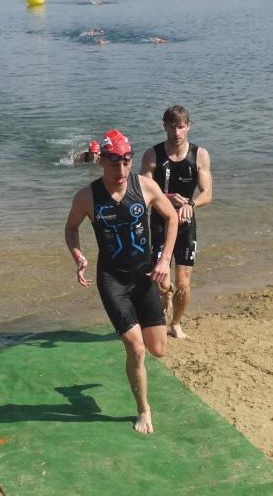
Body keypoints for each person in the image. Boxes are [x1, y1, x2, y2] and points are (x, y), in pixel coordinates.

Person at [65, 129, 178, 434]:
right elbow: (71, 228)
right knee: (137, 349)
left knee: (158, 349)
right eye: (115, 164)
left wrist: (164, 260)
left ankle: (164, 293)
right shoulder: (87, 197)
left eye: (127, 162)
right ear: (102, 161)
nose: (122, 171)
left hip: (145, 277)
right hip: (112, 281)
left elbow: (172, 217)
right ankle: (144, 410)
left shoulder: (145, 186)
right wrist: (78, 256)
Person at [140, 105, 212, 339]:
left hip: (185, 223)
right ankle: (165, 294)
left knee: (184, 281)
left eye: (181, 127)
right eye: (172, 127)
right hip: (160, 222)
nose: (177, 133)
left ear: (188, 126)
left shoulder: (199, 155)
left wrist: (191, 204)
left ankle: (176, 324)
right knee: (161, 280)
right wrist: (166, 198)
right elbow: (142, 192)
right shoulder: (152, 155)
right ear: (165, 127)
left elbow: (207, 193)